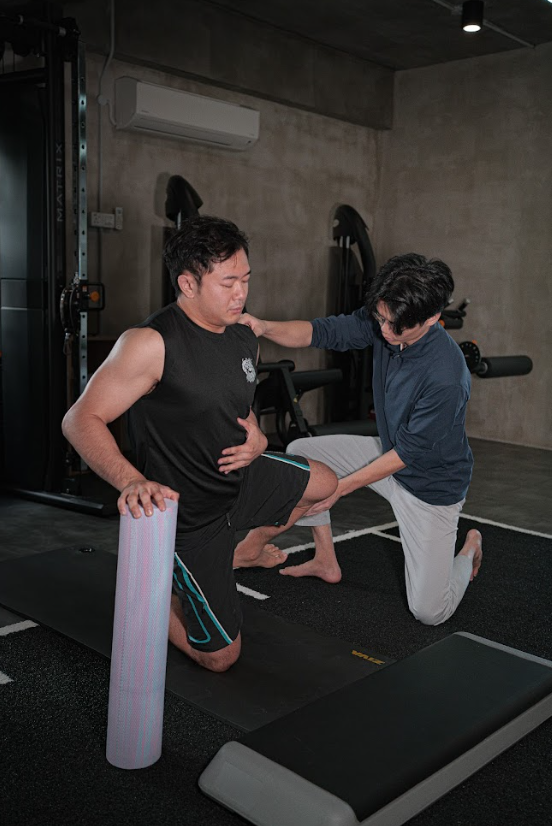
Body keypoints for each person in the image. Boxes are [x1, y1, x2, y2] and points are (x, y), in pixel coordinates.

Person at [62, 215, 337, 672]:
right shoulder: (150, 343)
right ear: (188, 283)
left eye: (246, 279)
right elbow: (80, 419)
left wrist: (258, 438)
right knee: (221, 657)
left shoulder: (245, 335)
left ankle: (240, 551)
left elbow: (235, 405)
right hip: (188, 515)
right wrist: (132, 481)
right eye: (228, 282)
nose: (241, 294)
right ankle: (146, 595)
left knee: (326, 484)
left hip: (237, 478)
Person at [240, 253, 482, 626]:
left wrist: (339, 488)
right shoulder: (386, 319)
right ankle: (325, 559)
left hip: (429, 487)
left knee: (429, 611)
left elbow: (409, 453)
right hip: (387, 455)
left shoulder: (447, 376)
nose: (383, 330)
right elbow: (321, 332)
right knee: (302, 453)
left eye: (393, 325)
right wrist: (262, 326)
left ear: (432, 318)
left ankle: (468, 551)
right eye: (380, 318)